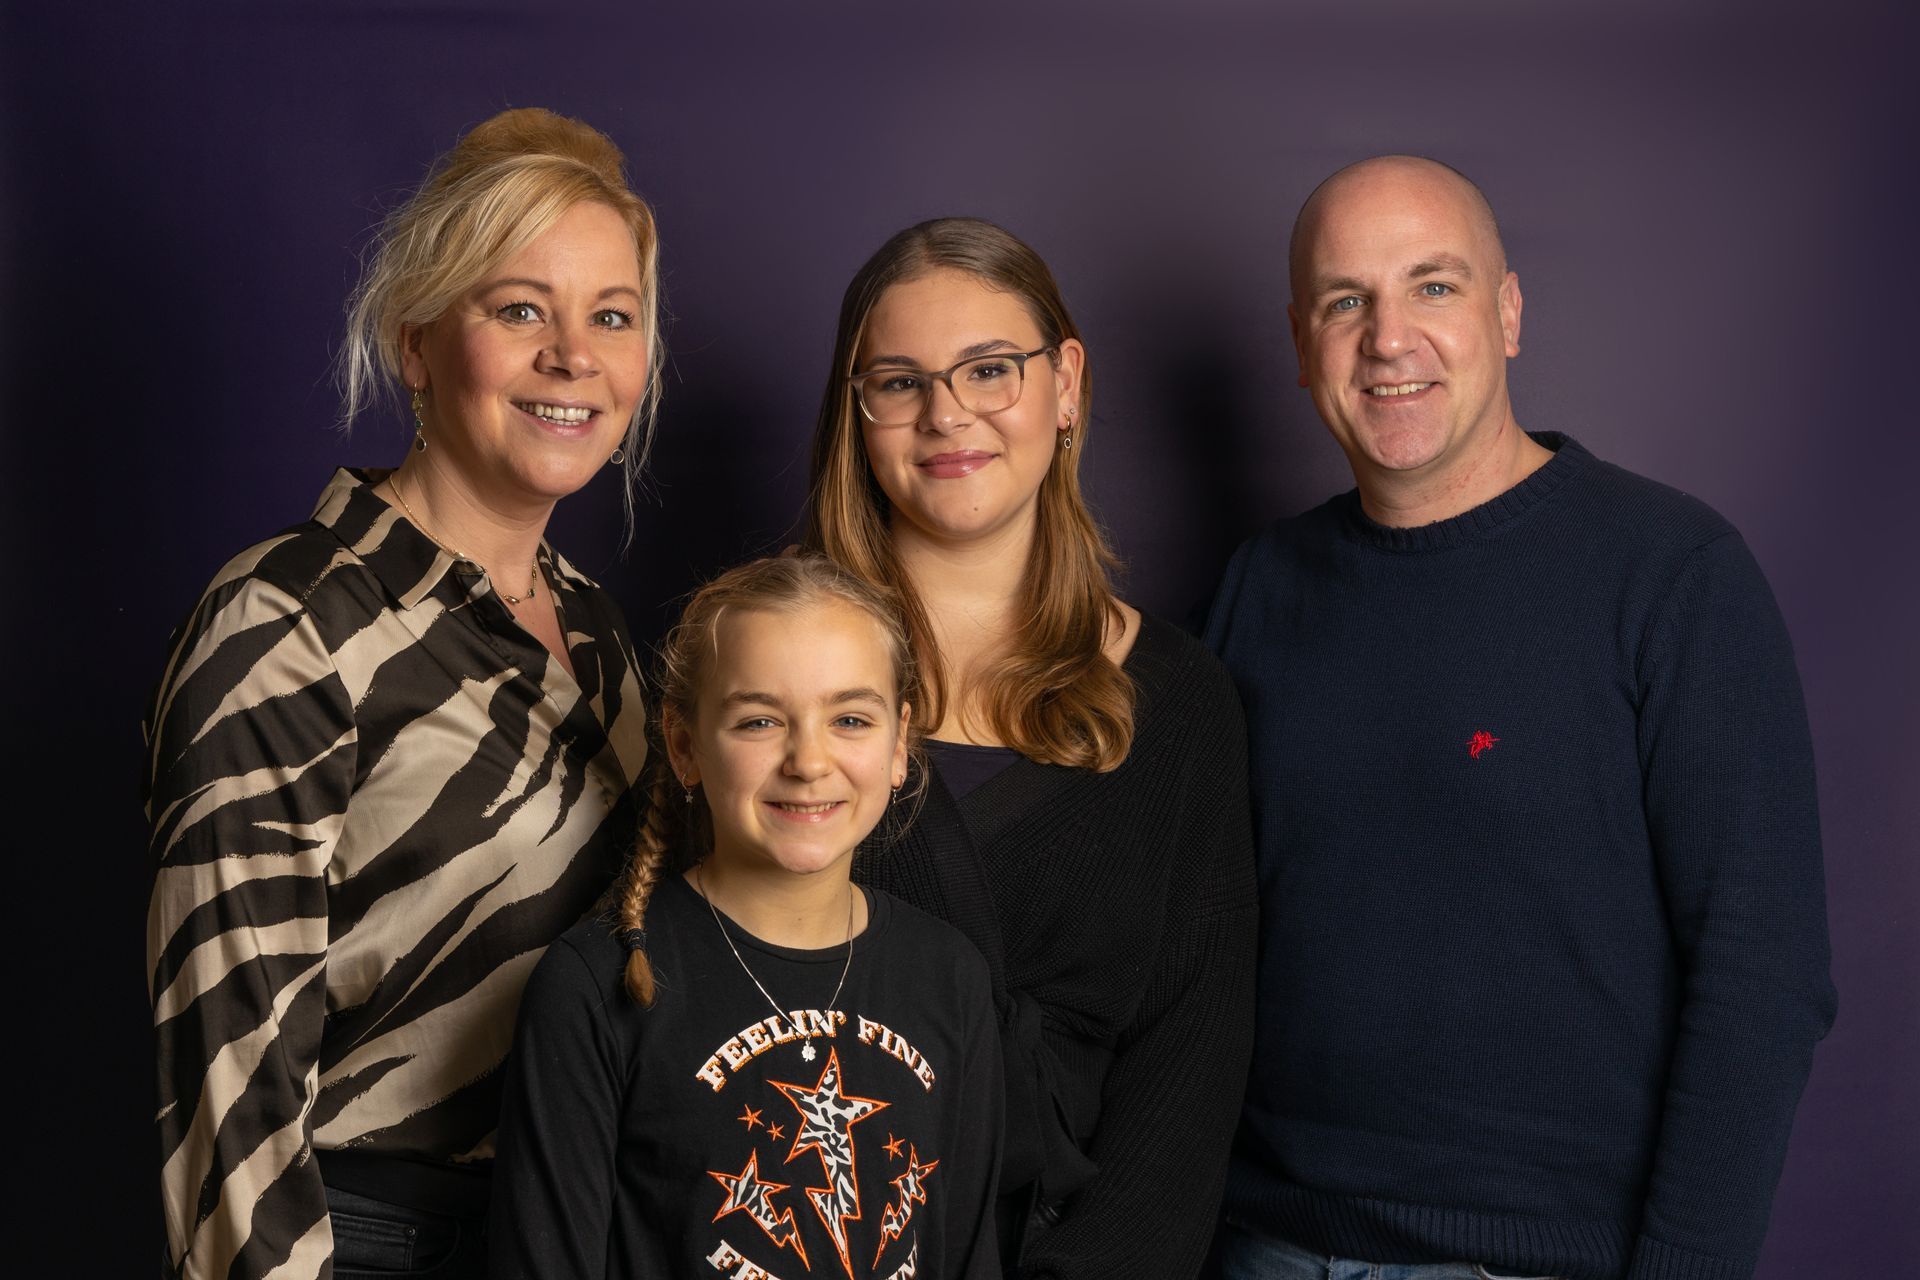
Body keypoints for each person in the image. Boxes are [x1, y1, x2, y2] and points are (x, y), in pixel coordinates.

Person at [1204, 155, 1836, 1280]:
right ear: (1302, 345)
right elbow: (1193, 941)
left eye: (1433, 286)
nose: (1389, 337)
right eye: (1346, 301)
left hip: (1542, 1262)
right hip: (1268, 1247)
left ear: (1508, 315)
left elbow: (1764, 975)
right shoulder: (1259, 587)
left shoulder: (1670, 573)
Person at [143, 107, 661, 1280]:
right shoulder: (286, 624)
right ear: (415, 340)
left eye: (612, 316)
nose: (573, 354)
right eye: (519, 307)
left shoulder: (602, 633)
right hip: (370, 1242)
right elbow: (227, 1088)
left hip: (575, 1237)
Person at [807, 217, 1258, 1279]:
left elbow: (1189, 1076)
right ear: (856, 413)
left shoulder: (1182, 704)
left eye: (989, 369)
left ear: (1065, 386)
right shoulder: (759, 676)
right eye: (899, 381)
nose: (946, 413)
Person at [488, 552, 1004, 1279]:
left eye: (851, 718)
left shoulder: (950, 979)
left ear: (901, 745)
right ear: (684, 745)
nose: (808, 760)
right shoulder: (595, 987)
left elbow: (967, 1254)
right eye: (760, 720)